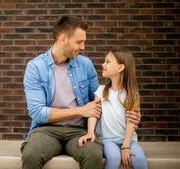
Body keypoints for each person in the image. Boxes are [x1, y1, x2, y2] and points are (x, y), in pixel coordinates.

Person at [21, 16, 141, 169]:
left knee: (93, 155)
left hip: (80, 130)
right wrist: (80, 110)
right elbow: (38, 112)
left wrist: (131, 112)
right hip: (46, 130)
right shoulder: (35, 67)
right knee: (31, 154)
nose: (83, 47)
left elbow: (101, 101)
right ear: (63, 39)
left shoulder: (85, 64)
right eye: (79, 42)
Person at [78, 48, 148, 169]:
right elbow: (93, 114)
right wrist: (90, 132)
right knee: (114, 157)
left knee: (140, 159)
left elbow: (132, 122)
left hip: (128, 140)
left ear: (120, 68)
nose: (103, 64)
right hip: (107, 140)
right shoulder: (101, 91)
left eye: (107, 62)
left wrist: (125, 146)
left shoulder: (132, 94)